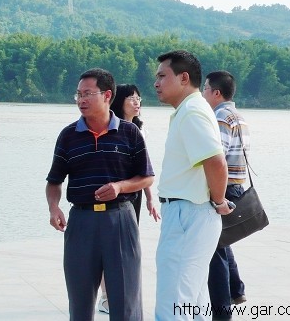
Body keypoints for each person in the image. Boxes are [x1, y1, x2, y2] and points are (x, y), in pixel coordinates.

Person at [46, 68, 155, 321]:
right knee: (80, 303)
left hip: (120, 220)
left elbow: (147, 177)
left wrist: (120, 187)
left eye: (88, 94)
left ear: (107, 95)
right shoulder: (68, 135)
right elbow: (54, 181)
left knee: (126, 303)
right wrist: (54, 207)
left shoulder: (130, 133)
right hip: (81, 222)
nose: (81, 100)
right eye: (78, 94)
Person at [153, 50, 233, 321]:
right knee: (192, 301)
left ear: (184, 78)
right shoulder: (191, 109)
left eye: (162, 76)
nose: (156, 83)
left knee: (174, 301)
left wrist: (219, 201)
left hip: (188, 213)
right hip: (190, 212)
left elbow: (216, 162)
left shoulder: (191, 112)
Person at [97, 83, 160, 314]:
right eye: (131, 98)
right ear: (119, 102)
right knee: (107, 246)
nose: (137, 102)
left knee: (125, 245)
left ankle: (117, 294)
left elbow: (144, 170)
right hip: (113, 194)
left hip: (133, 195)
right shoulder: (111, 129)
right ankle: (106, 297)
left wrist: (150, 198)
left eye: (139, 98)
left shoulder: (139, 131)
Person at [203, 71, 249, 320]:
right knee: (221, 242)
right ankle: (236, 289)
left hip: (224, 187)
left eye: (205, 88)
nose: (203, 93)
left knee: (214, 250)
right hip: (236, 186)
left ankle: (221, 312)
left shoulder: (220, 117)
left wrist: (215, 195)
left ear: (216, 93)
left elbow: (216, 157)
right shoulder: (238, 116)